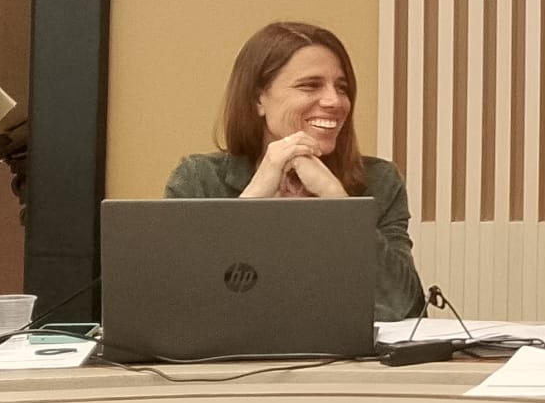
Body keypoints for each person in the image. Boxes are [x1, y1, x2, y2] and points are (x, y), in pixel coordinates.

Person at [166, 21, 427, 322]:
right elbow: (182, 307)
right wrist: (254, 198)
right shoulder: (199, 179)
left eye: (342, 88)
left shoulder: (379, 181)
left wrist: (340, 206)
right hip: (231, 352)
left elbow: (405, 308)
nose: (334, 101)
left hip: (341, 352)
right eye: (310, 85)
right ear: (258, 99)